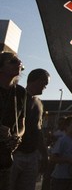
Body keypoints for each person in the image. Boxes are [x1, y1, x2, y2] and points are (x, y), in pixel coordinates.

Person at [10, 68, 50, 190]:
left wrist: (44, 153)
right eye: (45, 83)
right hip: (15, 153)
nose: (45, 87)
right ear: (37, 81)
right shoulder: (16, 97)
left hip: (31, 154)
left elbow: (38, 130)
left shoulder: (39, 104)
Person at [0, 52, 27, 190]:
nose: (18, 63)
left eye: (19, 62)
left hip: (5, 155)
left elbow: (22, 124)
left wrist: (17, 135)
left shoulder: (21, 92)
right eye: (13, 61)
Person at [50, 116, 72, 190]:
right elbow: (53, 158)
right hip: (60, 177)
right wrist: (68, 160)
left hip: (70, 177)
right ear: (67, 127)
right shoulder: (62, 140)